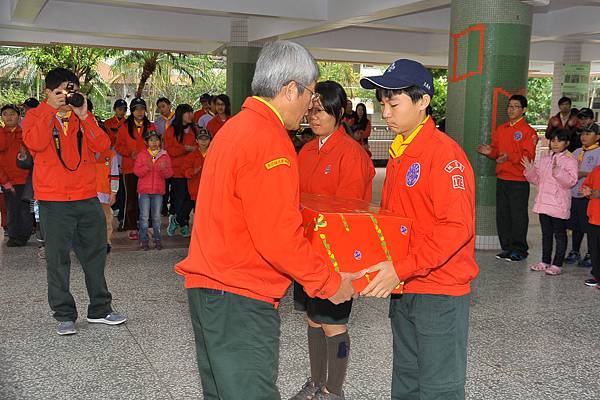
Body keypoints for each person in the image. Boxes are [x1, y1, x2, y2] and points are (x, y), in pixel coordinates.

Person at [174, 40, 358, 399]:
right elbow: (278, 238)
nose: (310, 104)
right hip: (240, 298)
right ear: (290, 89)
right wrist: (329, 283)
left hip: (212, 291)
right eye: (310, 93)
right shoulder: (269, 140)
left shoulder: (235, 128)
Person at [359, 59, 479, 400]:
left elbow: (457, 229)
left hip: (438, 291)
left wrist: (401, 267)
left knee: (439, 385)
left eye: (393, 103)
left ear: (423, 101)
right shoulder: (402, 152)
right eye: (382, 103)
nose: (386, 112)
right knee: (407, 377)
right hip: (405, 285)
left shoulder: (443, 156)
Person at [22, 67, 126, 335]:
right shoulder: (35, 115)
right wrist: (50, 109)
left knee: (95, 254)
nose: (67, 96)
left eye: (71, 91)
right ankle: (64, 314)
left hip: (86, 198)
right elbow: (35, 142)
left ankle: (100, 310)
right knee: (57, 259)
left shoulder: (82, 116)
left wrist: (85, 115)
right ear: (48, 92)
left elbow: (103, 147)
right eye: (60, 92)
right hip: (53, 201)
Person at [291, 80, 375, 400]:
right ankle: (315, 383)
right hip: (307, 253)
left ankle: (333, 390)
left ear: (338, 113)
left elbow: (351, 216)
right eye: (310, 109)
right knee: (313, 319)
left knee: (333, 325)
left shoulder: (351, 155)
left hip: (336, 259)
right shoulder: (308, 150)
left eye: (320, 111)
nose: (313, 116)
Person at [477, 95, 538, 261]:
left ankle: (520, 249)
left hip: (518, 180)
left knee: (517, 216)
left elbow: (528, 156)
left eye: (516, 106)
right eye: (510, 106)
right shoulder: (501, 128)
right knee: (503, 215)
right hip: (502, 177)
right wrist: (490, 152)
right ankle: (507, 247)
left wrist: (508, 157)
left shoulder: (528, 132)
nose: (511, 109)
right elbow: (497, 152)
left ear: (524, 110)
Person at [523, 128, 578, 275]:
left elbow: (571, 182)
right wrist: (530, 170)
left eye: (559, 140)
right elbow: (538, 181)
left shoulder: (570, 160)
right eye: (553, 140)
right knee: (546, 234)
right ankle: (545, 261)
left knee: (560, 234)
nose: (555, 143)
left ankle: (557, 264)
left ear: (566, 143)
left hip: (559, 204)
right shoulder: (545, 159)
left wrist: (558, 172)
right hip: (543, 203)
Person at [115, 97, 154, 241]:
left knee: (147, 197)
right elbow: (118, 145)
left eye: (142, 109)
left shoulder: (151, 127)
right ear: (132, 111)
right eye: (137, 109)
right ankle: (131, 227)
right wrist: (129, 153)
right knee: (130, 198)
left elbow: (156, 144)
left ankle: (147, 225)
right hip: (130, 168)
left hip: (147, 168)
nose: (140, 112)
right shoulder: (125, 127)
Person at [565, 123, 600, 267]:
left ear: (597, 137)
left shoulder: (598, 152)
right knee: (575, 224)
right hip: (574, 193)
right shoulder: (576, 151)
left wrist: (584, 174)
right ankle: (575, 251)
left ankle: (591, 254)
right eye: (582, 133)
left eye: (588, 133)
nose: (584, 136)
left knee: (588, 226)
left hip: (590, 196)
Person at [134, 129, 172, 250]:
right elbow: (137, 172)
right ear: (146, 142)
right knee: (144, 217)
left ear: (160, 142)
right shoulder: (142, 154)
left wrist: (163, 169)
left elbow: (170, 174)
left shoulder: (164, 155)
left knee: (156, 217)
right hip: (144, 191)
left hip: (158, 191)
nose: (154, 142)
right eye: (151, 140)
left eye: (156, 140)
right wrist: (147, 167)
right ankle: (144, 240)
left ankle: (157, 239)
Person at [0, 104, 32, 247]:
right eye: (5, 114)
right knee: (11, 209)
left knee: (25, 209)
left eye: (12, 114)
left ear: (18, 116)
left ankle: (24, 235)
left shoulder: (26, 133)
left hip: (25, 179)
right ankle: (13, 235)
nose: (9, 117)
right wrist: (4, 181)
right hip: (7, 179)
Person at [165, 103, 197, 238]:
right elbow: (170, 150)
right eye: (187, 112)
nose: (190, 115)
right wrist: (185, 149)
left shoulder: (195, 130)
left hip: (192, 171)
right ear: (180, 114)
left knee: (190, 199)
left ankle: (178, 220)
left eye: (191, 112)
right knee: (179, 199)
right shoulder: (171, 130)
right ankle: (183, 224)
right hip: (177, 171)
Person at [95, 145, 119, 254]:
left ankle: (106, 243)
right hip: (87, 194)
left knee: (106, 221)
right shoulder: (85, 151)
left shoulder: (111, 154)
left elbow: (114, 174)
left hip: (104, 194)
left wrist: (113, 192)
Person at [581, 164, 600, 288]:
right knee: (594, 250)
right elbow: (586, 185)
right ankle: (597, 275)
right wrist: (586, 190)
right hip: (594, 217)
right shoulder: (597, 170)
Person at [183, 128, 211, 203]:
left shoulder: (214, 155)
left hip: (210, 191)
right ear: (196, 141)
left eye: (206, 139)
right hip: (195, 191)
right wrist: (193, 172)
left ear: (210, 141)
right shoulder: (190, 156)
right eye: (201, 139)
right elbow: (185, 171)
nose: (203, 141)